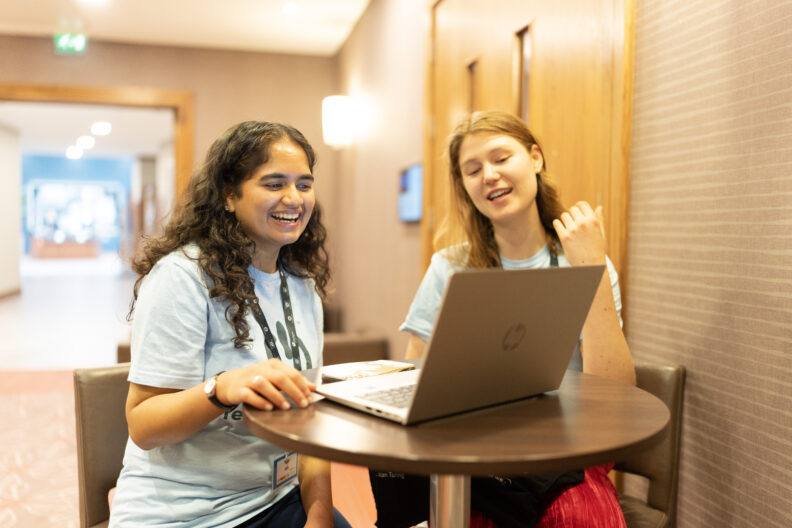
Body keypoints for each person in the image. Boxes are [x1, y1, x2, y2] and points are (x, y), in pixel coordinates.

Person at [396, 111, 635, 528]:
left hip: (569, 453)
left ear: (536, 158)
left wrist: (591, 268)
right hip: (473, 454)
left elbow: (615, 395)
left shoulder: (583, 260)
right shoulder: (449, 266)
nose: (488, 175)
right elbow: (413, 376)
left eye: (501, 158)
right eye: (472, 170)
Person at [109, 121, 351, 528]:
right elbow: (144, 425)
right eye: (274, 184)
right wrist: (220, 389)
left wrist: (321, 513)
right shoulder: (182, 277)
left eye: (304, 185)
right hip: (185, 513)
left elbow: (311, 418)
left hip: (277, 498)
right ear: (228, 195)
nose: (293, 199)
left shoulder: (303, 286)